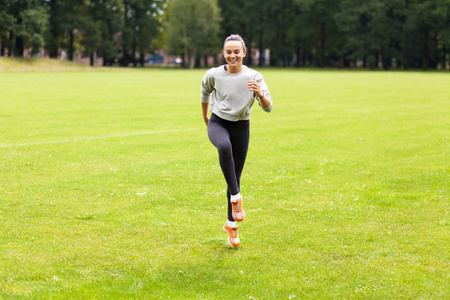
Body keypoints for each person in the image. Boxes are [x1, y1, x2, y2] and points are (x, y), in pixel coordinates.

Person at [201, 34, 273, 246]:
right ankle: (236, 198)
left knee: (235, 176)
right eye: (228, 52)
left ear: (244, 53)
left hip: (242, 127)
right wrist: (205, 117)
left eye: (236, 52)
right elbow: (204, 92)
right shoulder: (214, 74)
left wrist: (259, 94)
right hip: (218, 123)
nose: (233, 55)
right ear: (224, 54)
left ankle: (231, 226)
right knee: (223, 147)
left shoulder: (254, 77)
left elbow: (269, 107)